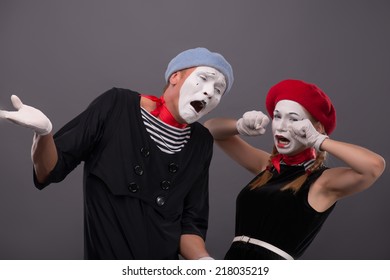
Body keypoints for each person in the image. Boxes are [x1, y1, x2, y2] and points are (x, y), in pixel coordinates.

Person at [0, 47, 234, 260]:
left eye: (218, 90)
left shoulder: (202, 142)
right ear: (175, 77)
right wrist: (44, 133)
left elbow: (190, 224)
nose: (209, 93)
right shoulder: (117, 106)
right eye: (203, 79)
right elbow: (50, 170)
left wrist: (205, 262)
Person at [204, 79, 385, 260]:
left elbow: (374, 166)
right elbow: (210, 130)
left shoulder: (322, 182)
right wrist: (240, 126)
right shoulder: (267, 167)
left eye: (293, 119)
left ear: (315, 128)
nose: (281, 126)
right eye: (277, 116)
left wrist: (320, 140)